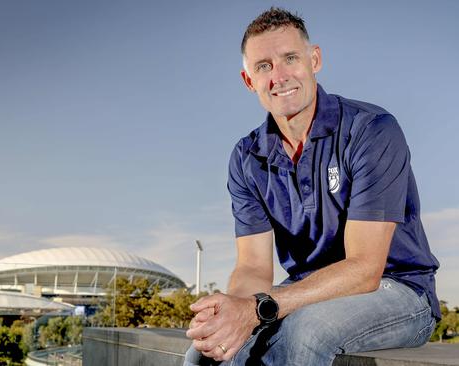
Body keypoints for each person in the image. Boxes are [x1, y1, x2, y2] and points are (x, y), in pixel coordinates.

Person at [184, 7, 440, 366]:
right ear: (248, 80)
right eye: (264, 66)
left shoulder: (371, 130)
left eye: (290, 58)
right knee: (203, 352)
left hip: (396, 289)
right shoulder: (247, 156)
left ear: (314, 59)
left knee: (306, 332)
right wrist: (233, 311)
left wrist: (259, 309)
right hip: (304, 290)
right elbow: (253, 267)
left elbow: (365, 268)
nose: (279, 76)